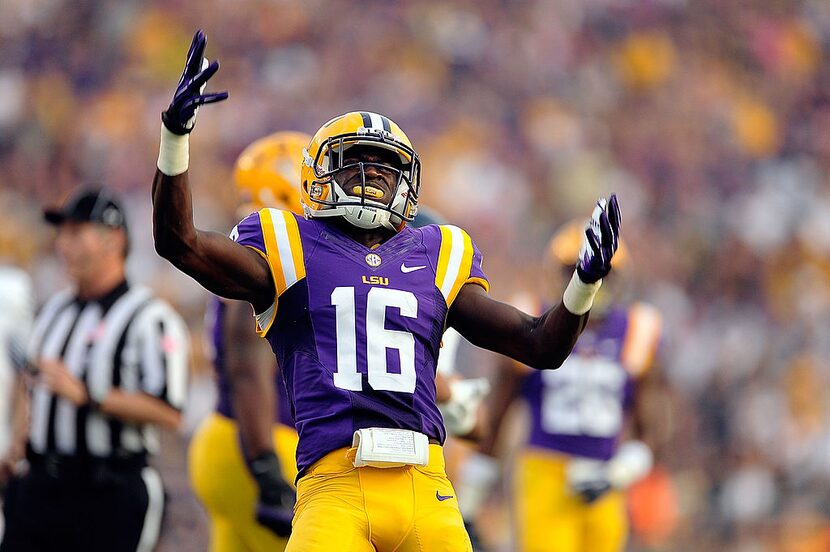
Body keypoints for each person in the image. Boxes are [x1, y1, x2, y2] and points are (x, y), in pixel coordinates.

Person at [151, 30, 621, 551]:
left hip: (427, 487)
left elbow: (540, 345)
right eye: (358, 164)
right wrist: (177, 136)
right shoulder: (290, 245)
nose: (372, 179)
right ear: (319, 171)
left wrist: (584, 283)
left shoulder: (436, 252)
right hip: (335, 485)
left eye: (385, 169)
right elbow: (181, 244)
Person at [0, 187, 189, 552]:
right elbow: (33, 382)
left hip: (107, 491)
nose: (63, 245)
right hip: (41, 485)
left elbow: (170, 412)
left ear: (112, 238)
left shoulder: (149, 318)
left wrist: (89, 395)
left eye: (75, 233)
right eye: (62, 234)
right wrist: (16, 447)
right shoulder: (55, 309)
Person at [458, 220, 662, 552]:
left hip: (604, 476)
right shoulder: (533, 320)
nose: (592, 280)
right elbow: (496, 421)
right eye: (573, 271)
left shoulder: (638, 330)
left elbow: (649, 430)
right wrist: (468, 504)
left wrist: (617, 474)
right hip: (544, 473)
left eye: (604, 272)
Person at [188, 131, 310, 552]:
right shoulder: (267, 252)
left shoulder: (247, 242)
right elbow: (247, 366)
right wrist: (265, 467)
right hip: (260, 438)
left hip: (227, 436)